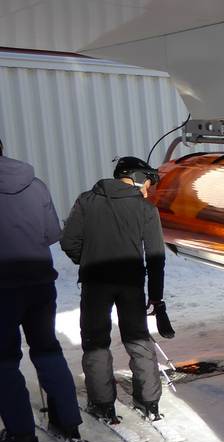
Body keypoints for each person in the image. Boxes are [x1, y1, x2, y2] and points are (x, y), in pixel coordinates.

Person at [61, 156, 169, 422]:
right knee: (138, 339)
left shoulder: (86, 201)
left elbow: (69, 241)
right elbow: (156, 257)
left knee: (95, 341)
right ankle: (149, 402)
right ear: (134, 177)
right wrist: (156, 296)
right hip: (131, 284)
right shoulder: (145, 209)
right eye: (147, 181)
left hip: (95, 283)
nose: (148, 189)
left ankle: (102, 405)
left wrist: (88, 260)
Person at [0, 138, 84, 442]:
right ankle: (68, 422)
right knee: (47, 349)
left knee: (4, 361)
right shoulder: (35, 184)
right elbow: (51, 234)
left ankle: (21, 435)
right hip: (39, 283)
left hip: (3, 288)